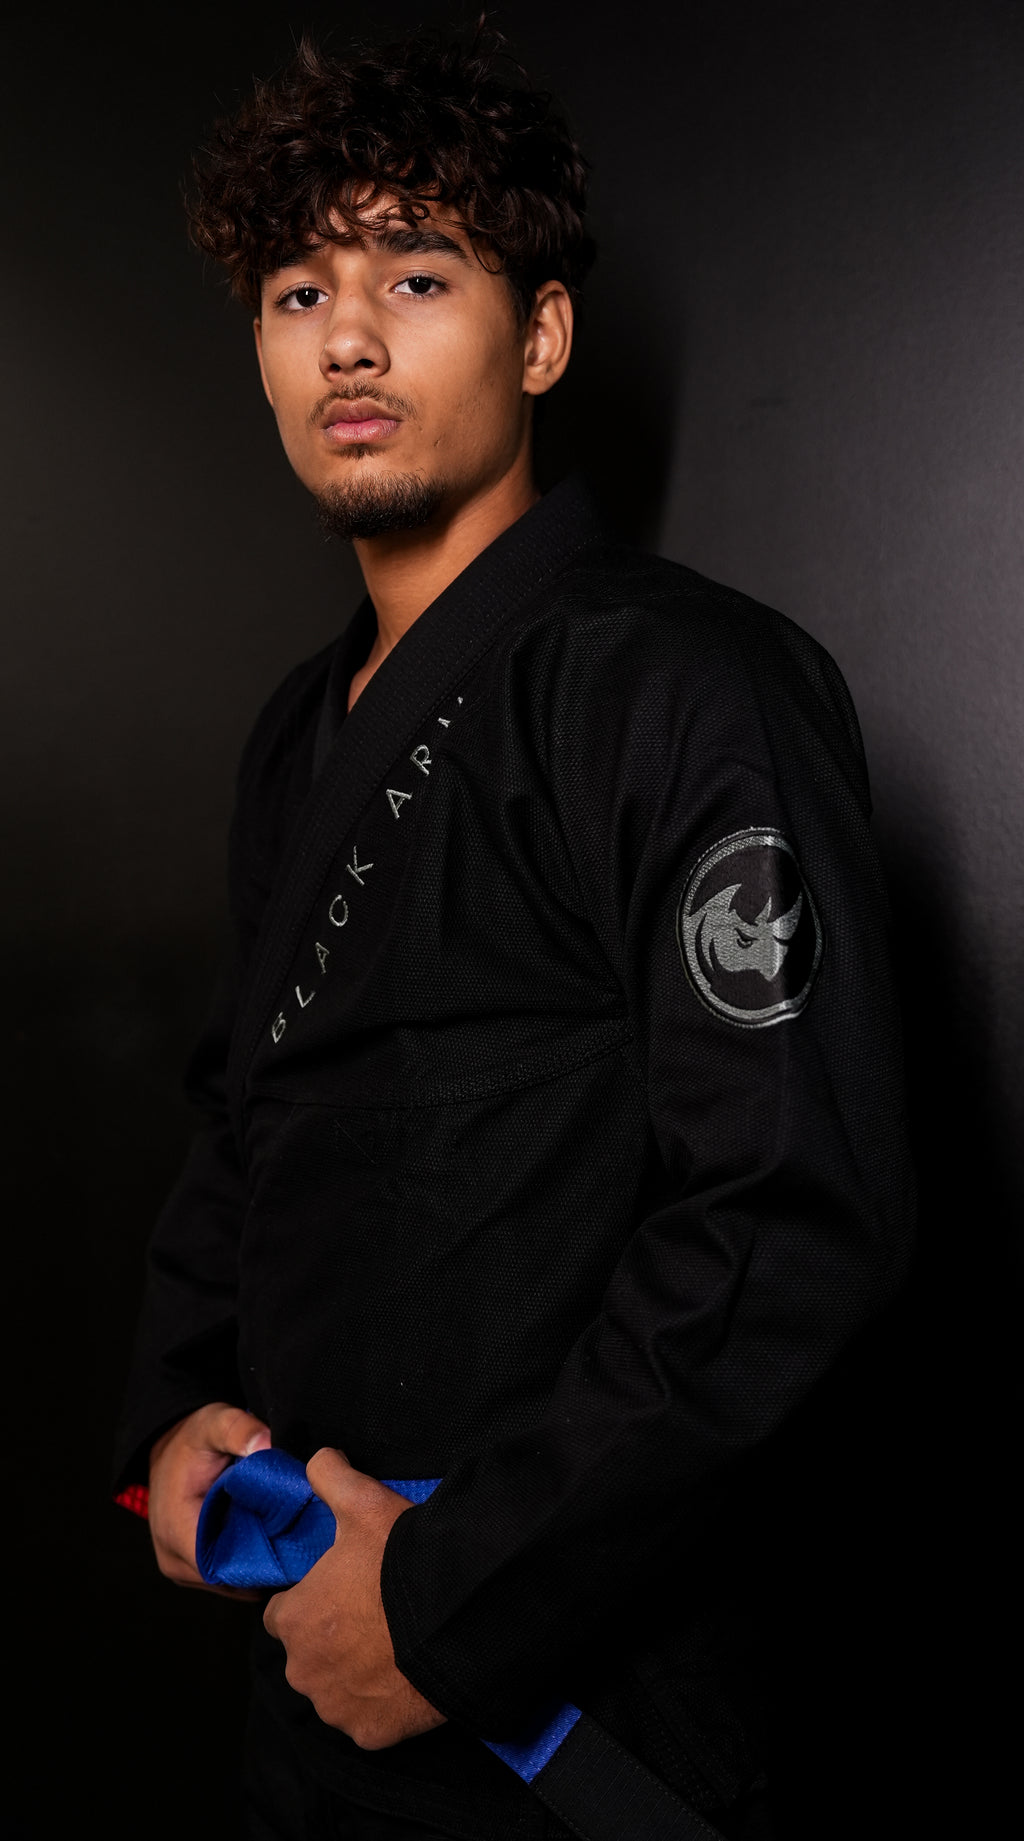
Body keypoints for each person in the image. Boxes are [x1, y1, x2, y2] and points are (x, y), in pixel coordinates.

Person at [114, 23, 915, 1841]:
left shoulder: (686, 686)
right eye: (299, 291)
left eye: (416, 275)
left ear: (541, 336)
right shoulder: (292, 736)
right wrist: (175, 1413)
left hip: (568, 1694)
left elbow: (788, 1216)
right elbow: (244, 1115)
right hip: (313, 1653)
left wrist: (449, 1603)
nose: (348, 338)